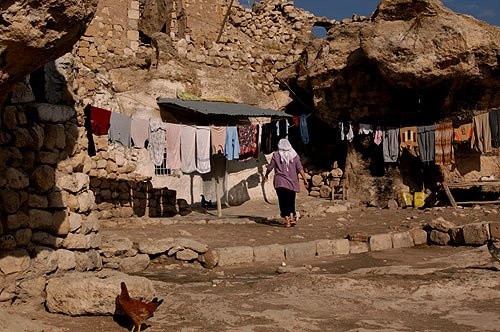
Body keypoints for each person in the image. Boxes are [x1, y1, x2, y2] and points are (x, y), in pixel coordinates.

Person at [264, 138, 308, 227]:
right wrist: (305, 179)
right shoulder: (294, 155)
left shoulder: (276, 155)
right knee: (291, 200)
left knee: (283, 201)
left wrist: (266, 175)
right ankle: (292, 217)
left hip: (280, 182)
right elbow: (300, 168)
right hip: (292, 182)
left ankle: (287, 220)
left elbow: (270, 167)